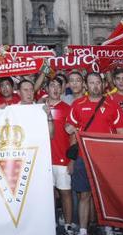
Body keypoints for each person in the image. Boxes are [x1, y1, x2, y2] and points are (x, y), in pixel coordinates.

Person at [66, 72, 123, 235]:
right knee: (84, 195)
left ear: (103, 84)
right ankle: (84, 230)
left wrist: (118, 157)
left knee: (106, 195)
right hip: (83, 158)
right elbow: (69, 127)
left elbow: (121, 133)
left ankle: (108, 227)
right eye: (91, 83)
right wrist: (69, 127)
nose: (95, 86)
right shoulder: (77, 104)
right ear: (86, 85)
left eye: (98, 82)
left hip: (107, 159)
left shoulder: (113, 105)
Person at [44, 78, 74, 233]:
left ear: (62, 89)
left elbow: (73, 135)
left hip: (62, 158)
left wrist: (72, 160)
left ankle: (68, 225)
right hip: (43, 160)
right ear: (46, 88)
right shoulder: (39, 108)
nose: (55, 88)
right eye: (52, 85)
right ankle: (51, 223)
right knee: (48, 195)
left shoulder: (67, 108)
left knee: (65, 192)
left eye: (58, 86)